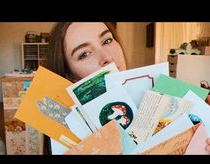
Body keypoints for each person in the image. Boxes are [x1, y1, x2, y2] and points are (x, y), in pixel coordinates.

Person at [46, 22, 210, 154]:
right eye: (84, 54)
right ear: (70, 75)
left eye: (107, 41)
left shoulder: (173, 92)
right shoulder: (68, 137)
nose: (107, 57)